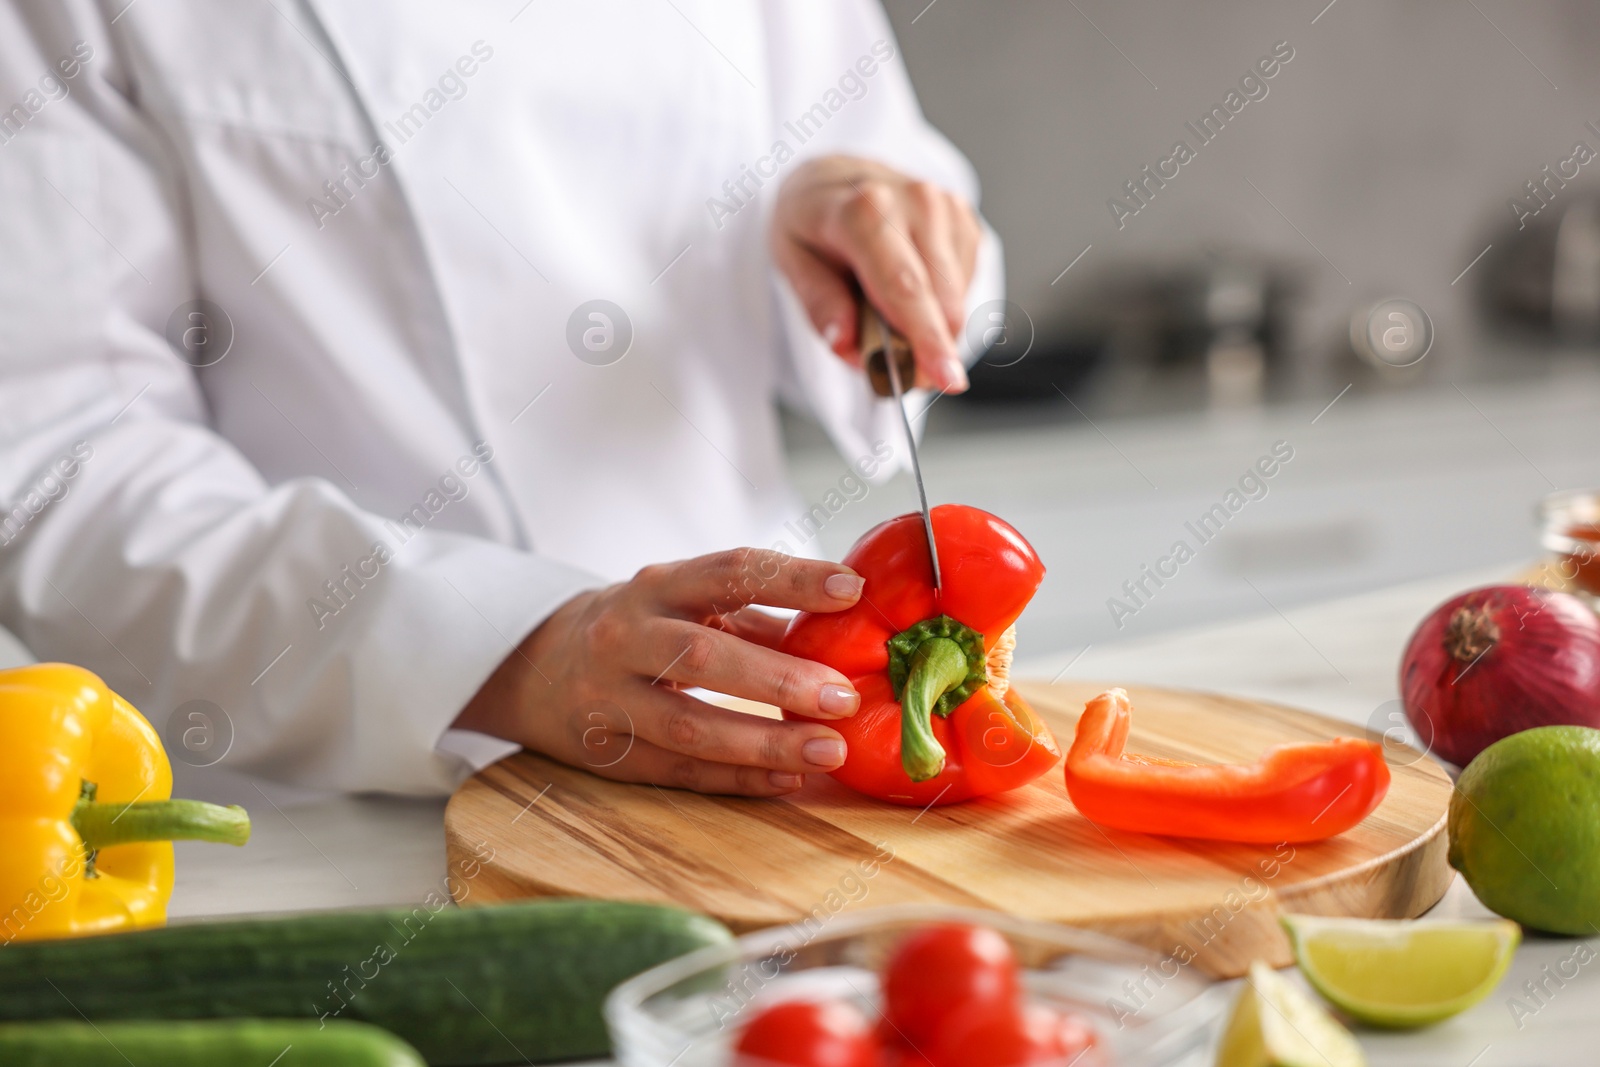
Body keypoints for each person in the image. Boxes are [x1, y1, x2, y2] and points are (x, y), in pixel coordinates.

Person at [0, 1, 1001, 797]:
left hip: (789, 737)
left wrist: (862, 224)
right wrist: (503, 650)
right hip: (359, 789)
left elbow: (892, 178)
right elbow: (57, 454)